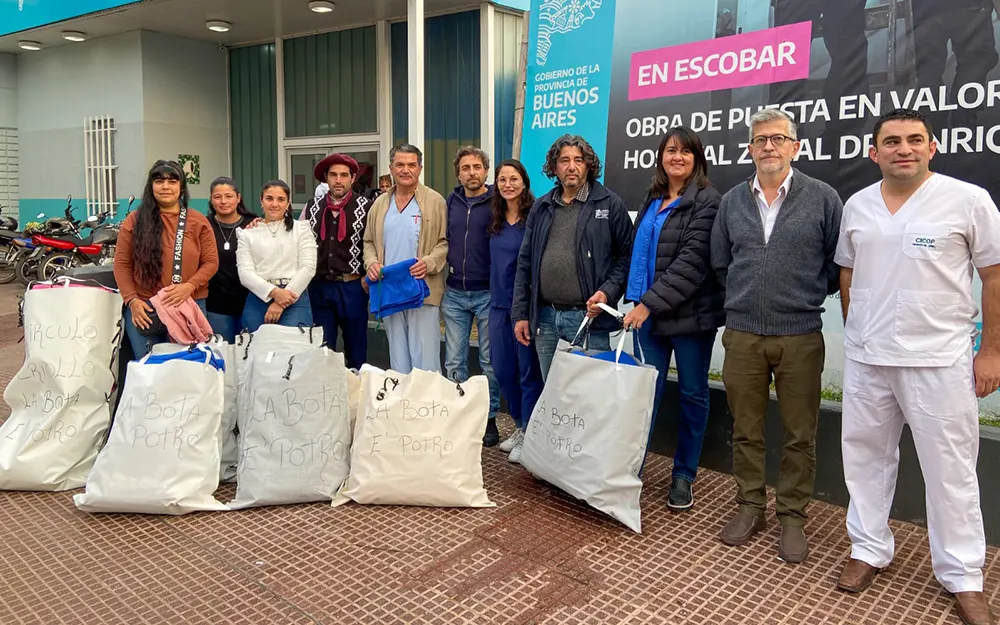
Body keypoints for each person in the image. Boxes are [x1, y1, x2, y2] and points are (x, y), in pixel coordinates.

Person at [835, 108, 1000, 625]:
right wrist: (855, 328)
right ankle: (868, 548)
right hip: (867, 358)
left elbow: (994, 277)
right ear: (873, 152)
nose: (902, 149)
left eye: (914, 140)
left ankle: (963, 575)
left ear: (931, 147)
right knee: (864, 459)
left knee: (950, 470)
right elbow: (847, 272)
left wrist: (991, 351)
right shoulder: (858, 205)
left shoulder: (968, 200)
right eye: (891, 141)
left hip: (939, 360)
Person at [710, 108, 842, 564]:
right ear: (749, 148)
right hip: (743, 334)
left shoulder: (823, 198)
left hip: (800, 334)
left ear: (796, 146)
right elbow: (721, 264)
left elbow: (834, 265)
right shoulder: (731, 202)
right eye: (760, 139)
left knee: (798, 433)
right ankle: (751, 506)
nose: (769, 146)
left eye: (778, 139)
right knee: (745, 429)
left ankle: (791, 516)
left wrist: (798, 295)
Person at [621, 127, 725, 511]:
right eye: (670, 150)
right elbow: (637, 253)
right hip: (648, 316)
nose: (676, 157)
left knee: (693, 395)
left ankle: (683, 475)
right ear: (661, 157)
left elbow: (691, 263)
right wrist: (624, 295)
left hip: (691, 319)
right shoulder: (653, 197)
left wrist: (647, 304)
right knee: (645, 396)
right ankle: (631, 468)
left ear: (697, 157)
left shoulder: (707, 200)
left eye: (684, 151)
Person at [511, 134, 634, 378]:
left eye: (579, 160)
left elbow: (627, 259)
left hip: (588, 317)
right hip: (545, 318)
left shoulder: (609, 204)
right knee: (555, 394)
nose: (571, 166)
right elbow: (525, 262)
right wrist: (521, 314)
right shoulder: (542, 206)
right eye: (564, 160)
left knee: (592, 396)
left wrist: (607, 293)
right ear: (554, 168)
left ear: (589, 165)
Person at [114, 160, 219, 358]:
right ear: (151, 186)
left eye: (172, 181)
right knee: (150, 371)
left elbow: (211, 262)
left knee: (188, 368)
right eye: (159, 181)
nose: (165, 187)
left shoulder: (197, 221)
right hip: (145, 308)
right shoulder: (135, 220)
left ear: (181, 188)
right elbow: (122, 264)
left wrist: (189, 286)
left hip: (189, 304)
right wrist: (132, 301)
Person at [363, 144, 448, 374]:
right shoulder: (380, 204)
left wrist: (429, 263)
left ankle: (427, 407)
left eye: (412, 165)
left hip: (422, 288)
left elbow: (444, 242)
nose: (405, 170)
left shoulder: (434, 201)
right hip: (390, 289)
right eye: (400, 164)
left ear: (420, 168)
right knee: (398, 356)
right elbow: (368, 242)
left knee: (425, 356)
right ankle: (403, 406)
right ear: (391, 168)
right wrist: (371, 263)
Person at [443, 146, 502, 446]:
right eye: (465, 168)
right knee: (454, 360)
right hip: (454, 292)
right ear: (458, 173)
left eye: (477, 166)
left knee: (489, 360)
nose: (472, 172)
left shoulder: (498, 202)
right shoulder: (449, 202)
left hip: (487, 293)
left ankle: (489, 419)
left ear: (486, 171)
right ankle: (458, 414)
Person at [488, 159, 544, 463]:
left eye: (513, 179)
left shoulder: (534, 217)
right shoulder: (494, 219)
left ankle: (530, 432)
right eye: (501, 180)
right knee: (503, 370)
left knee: (527, 372)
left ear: (524, 182)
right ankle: (521, 426)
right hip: (497, 305)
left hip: (524, 307)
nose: (507, 185)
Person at [301, 153, 372, 370]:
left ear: (352, 178)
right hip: (320, 286)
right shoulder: (312, 206)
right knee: (323, 349)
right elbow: (297, 239)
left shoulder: (367, 207)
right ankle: (326, 397)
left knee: (356, 349)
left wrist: (368, 276)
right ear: (326, 178)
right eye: (333, 175)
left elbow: (376, 243)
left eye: (343, 175)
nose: (338, 180)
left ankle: (357, 397)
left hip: (352, 285)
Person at [236, 180, 317, 332]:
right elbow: (245, 273)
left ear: (288, 203)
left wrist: (281, 301)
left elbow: (308, 268)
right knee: (256, 351)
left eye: (280, 199)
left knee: (292, 350)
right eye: (269, 198)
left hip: (294, 297)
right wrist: (274, 293)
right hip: (258, 298)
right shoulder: (248, 234)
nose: (274, 204)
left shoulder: (302, 230)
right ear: (261, 201)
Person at [205, 176, 257, 342]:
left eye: (228, 196)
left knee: (249, 355)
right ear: (211, 200)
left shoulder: (253, 225)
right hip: (216, 306)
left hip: (250, 304)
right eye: (217, 197)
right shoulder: (204, 226)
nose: (223, 201)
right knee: (222, 355)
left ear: (238, 198)